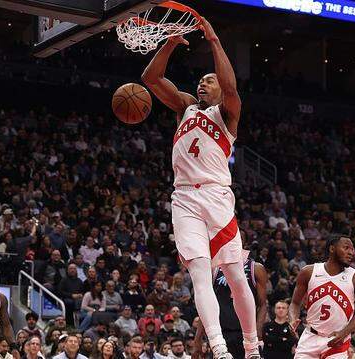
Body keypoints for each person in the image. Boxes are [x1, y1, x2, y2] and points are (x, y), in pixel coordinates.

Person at [142, 16, 259, 359]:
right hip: (184, 198)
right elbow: (150, 78)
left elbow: (232, 88)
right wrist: (170, 44)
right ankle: (219, 347)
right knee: (198, 273)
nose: (203, 84)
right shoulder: (185, 108)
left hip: (216, 194)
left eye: (210, 80)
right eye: (201, 80)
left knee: (236, 275)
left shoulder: (228, 113)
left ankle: (252, 347)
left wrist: (214, 41)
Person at [289, 235, 355, 359]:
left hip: (337, 340)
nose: (351, 253)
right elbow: (294, 303)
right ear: (332, 249)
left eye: (352, 249)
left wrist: (344, 333)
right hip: (310, 337)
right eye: (346, 248)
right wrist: (293, 319)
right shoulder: (308, 272)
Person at [194, 249, 268, 359]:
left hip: (247, 334)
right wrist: (198, 338)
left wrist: (257, 332)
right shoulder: (214, 269)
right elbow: (207, 306)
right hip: (222, 334)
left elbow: (262, 305)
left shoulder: (255, 268)